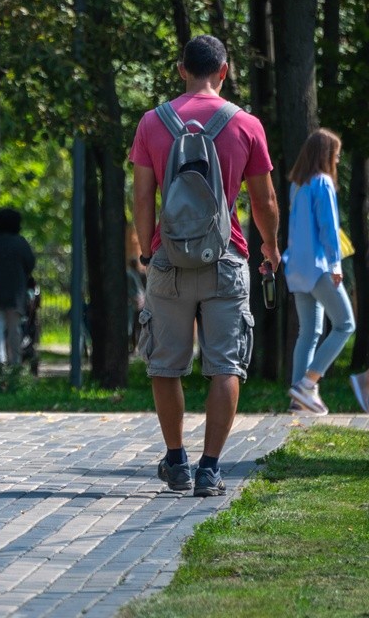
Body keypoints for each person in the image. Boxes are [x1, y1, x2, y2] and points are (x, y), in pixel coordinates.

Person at [130, 35, 280, 498]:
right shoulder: (246, 125)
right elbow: (264, 200)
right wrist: (270, 248)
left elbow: (140, 196)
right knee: (225, 366)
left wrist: (147, 251)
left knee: (165, 365)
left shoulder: (153, 123)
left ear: (181, 70)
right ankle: (210, 469)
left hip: (168, 260)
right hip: (227, 259)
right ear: (225, 70)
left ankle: (176, 461)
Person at [283, 129, 356, 415]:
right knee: (345, 325)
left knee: (309, 332)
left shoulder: (297, 185)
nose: (337, 159)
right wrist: (336, 264)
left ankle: (297, 400)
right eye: (336, 153)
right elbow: (328, 228)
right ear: (325, 154)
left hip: (297, 268)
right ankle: (308, 383)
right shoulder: (323, 182)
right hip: (319, 266)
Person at [0, 208, 36, 365]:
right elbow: (30, 264)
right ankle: (15, 362)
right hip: (16, 294)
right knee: (14, 329)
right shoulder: (20, 243)